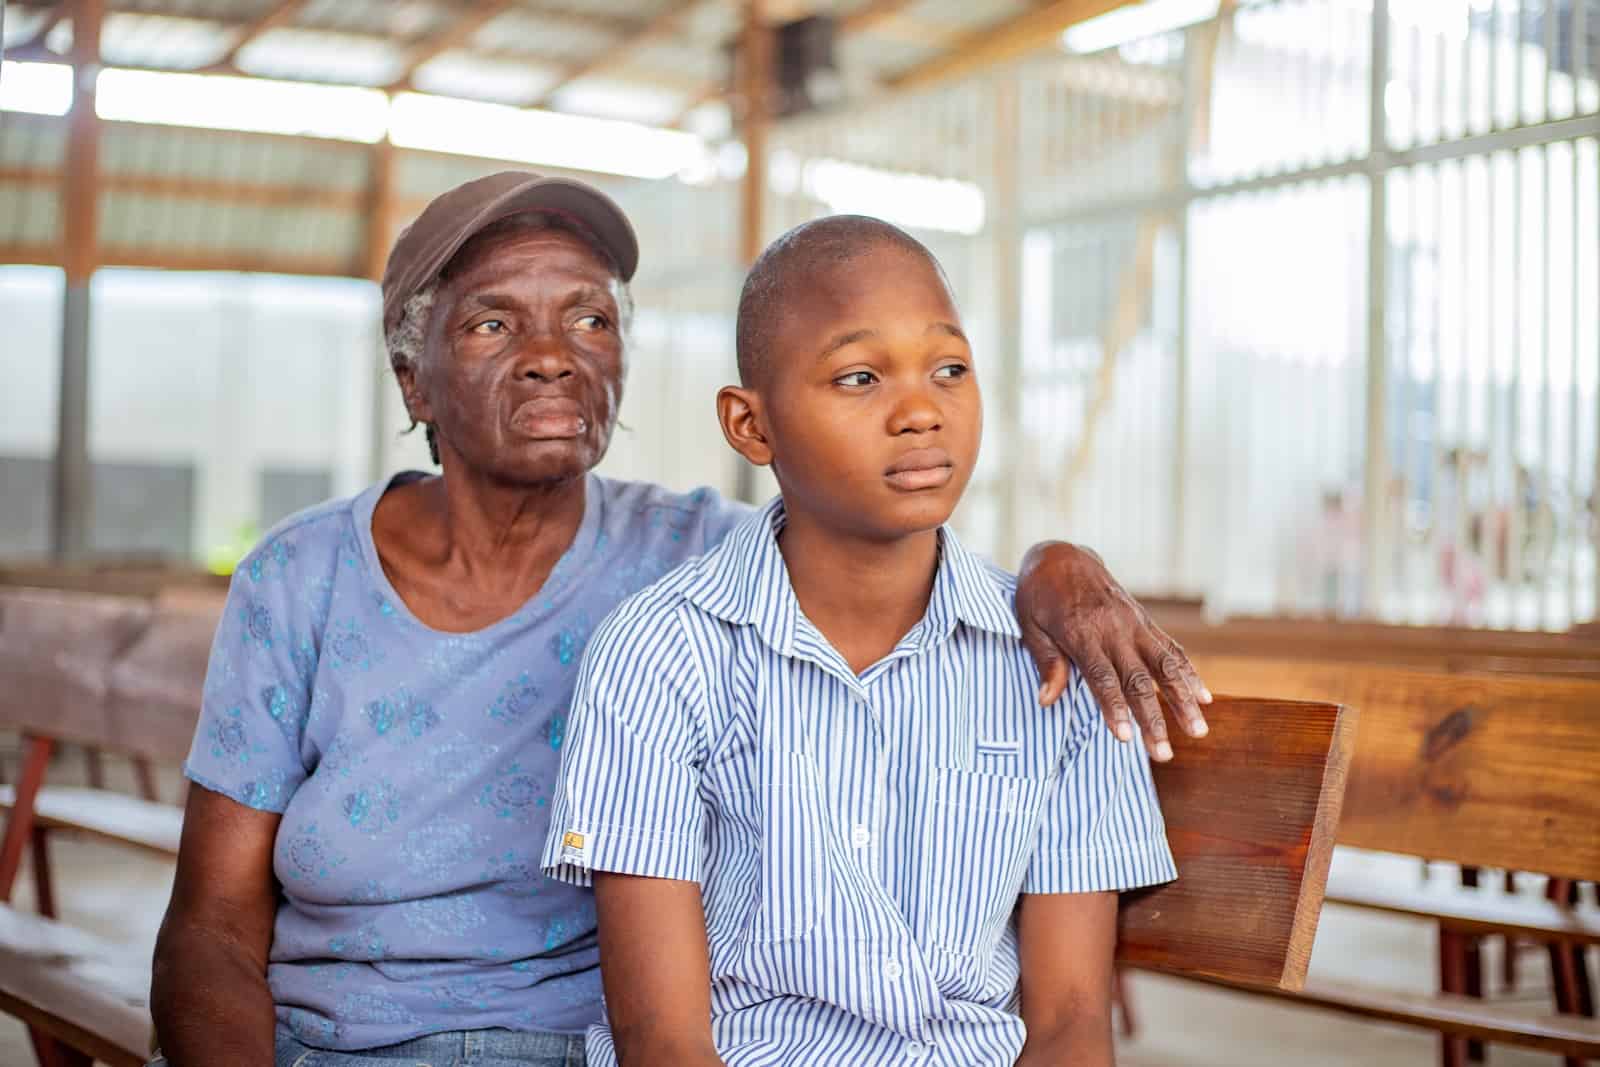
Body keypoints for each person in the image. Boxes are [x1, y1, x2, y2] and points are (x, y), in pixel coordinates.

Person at [149, 172, 1207, 1067]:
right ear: (410, 379)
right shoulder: (301, 578)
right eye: (491, 322)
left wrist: (1053, 567)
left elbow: (864, 522)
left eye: (591, 317)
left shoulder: (692, 553)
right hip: (340, 1037)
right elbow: (210, 923)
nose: (553, 351)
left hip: (584, 1037)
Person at [541, 216, 1176, 1066]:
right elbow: (662, 1039)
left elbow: (1068, 1022)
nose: (920, 411)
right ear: (751, 426)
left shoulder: (1065, 662)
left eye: (950, 368)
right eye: (859, 376)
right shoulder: (661, 654)